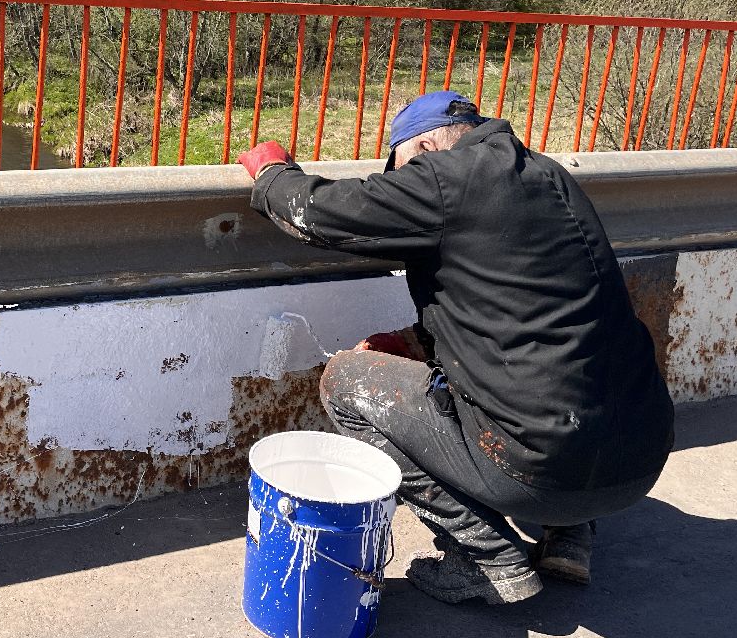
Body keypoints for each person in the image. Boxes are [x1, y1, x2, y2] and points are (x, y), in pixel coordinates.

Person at [237, 90, 674, 605]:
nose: (400, 186)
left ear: (424, 146)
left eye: (399, 172)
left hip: (545, 470)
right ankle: (571, 536)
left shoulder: (448, 178)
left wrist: (272, 176)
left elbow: (321, 213)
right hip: (640, 460)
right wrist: (409, 341)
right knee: (572, 367)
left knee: (346, 383)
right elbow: (520, 311)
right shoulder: (549, 176)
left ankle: (485, 558)